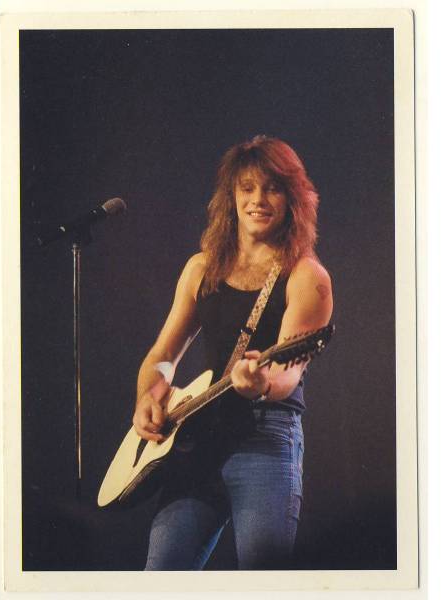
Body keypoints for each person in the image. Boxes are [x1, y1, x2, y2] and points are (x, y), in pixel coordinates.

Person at [132, 135, 333, 570]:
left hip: (265, 438)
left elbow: (286, 376)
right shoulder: (201, 268)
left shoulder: (307, 277)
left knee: (262, 581)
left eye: (272, 188)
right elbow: (163, 354)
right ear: (231, 196)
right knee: (160, 578)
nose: (258, 199)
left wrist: (261, 383)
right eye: (247, 188)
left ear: (293, 200)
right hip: (198, 440)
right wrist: (150, 393)